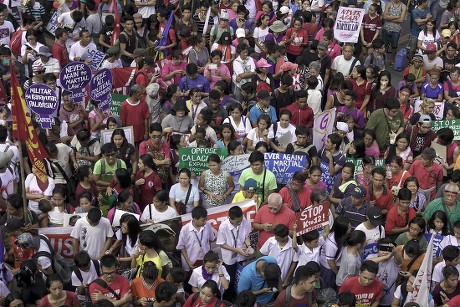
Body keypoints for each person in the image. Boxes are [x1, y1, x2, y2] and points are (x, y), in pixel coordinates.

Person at [176, 206, 215, 272]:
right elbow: (181, 247)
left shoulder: (207, 225)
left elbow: (211, 239)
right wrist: (188, 261)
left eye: (206, 219)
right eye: (202, 220)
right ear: (195, 219)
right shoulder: (185, 229)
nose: (205, 222)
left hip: (205, 262)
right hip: (191, 263)